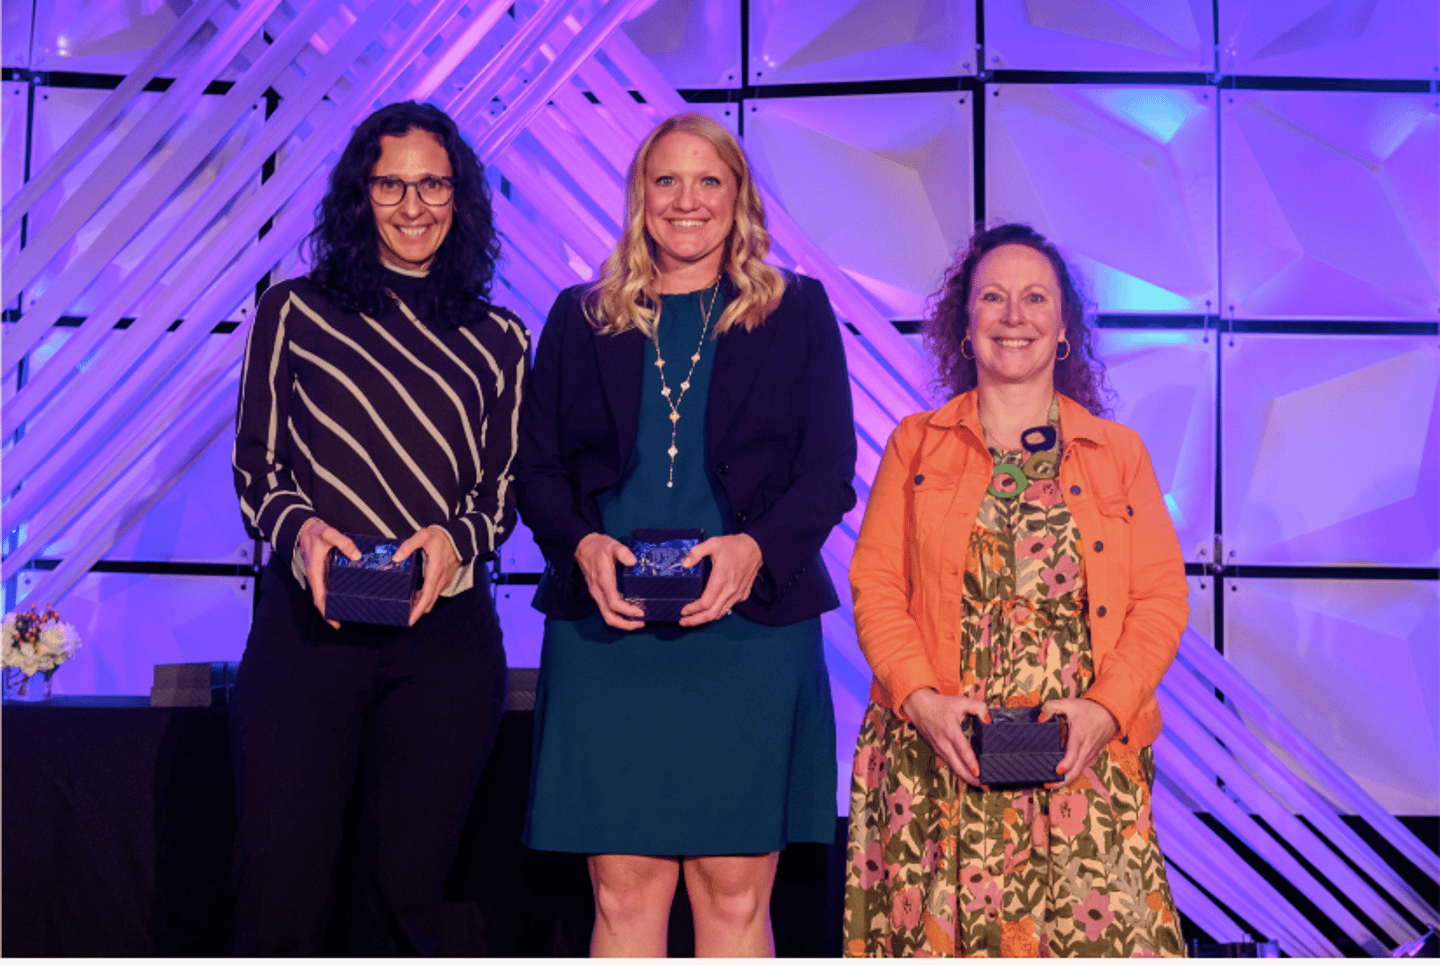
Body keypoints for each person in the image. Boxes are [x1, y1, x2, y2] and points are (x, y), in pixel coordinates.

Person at [515, 112, 855, 957]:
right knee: (623, 893)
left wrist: (754, 550)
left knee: (735, 895)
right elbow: (537, 471)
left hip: (747, 635)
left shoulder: (797, 311)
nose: (687, 199)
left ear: (738, 196)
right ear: (639, 196)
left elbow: (828, 471)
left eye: (709, 180)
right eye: (666, 179)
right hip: (610, 636)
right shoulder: (580, 315)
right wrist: (583, 547)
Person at [229, 101, 528, 955]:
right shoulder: (293, 312)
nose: (412, 204)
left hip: (445, 640)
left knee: (407, 898)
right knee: (279, 886)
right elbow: (258, 465)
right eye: (390, 183)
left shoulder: (499, 337)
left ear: (460, 196)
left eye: (432, 183)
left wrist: (453, 539)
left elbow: (501, 487)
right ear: (360, 194)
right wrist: (305, 533)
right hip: (306, 631)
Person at [844, 223, 1187, 957]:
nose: (1013, 315)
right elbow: (875, 585)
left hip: (1083, 762)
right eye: (992, 298)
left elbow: (1160, 600)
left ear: (1063, 327)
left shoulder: (1117, 454)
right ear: (964, 325)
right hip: (939, 758)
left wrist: (1105, 710)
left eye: (1035, 298)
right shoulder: (915, 443)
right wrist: (922, 701)